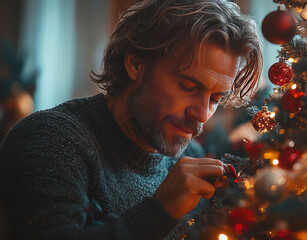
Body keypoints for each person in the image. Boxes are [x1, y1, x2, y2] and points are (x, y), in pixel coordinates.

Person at [0, 0, 262, 239]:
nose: (203, 114)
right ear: (135, 63)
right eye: (188, 86)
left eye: (215, 99)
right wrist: (159, 211)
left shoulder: (190, 157)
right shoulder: (50, 139)